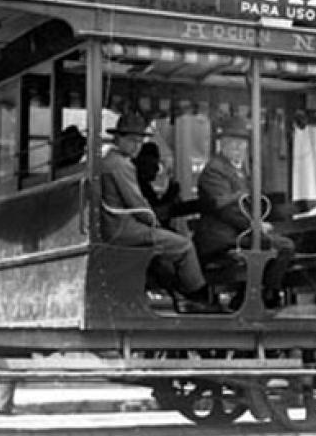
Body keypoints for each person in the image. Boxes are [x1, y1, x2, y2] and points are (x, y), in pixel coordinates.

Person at [101, 112, 212, 312]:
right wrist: (155, 223)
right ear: (118, 139)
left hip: (116, 226)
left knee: (168, 245)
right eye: (132, 141)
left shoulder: (110, 159)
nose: (137, 146)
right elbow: (138, 204)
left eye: (140, 141)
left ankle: (184, 296)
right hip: (122, 229)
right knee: (185, 245)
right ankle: (200, 298)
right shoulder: (120, 164)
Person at [194, 116, 295, 305]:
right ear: (221, 143)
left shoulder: (238, 170)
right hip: (220, 238)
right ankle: (264, 296)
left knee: (280, 243)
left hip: (236, 232)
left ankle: (248, 296)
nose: (238, 147)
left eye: (241, 143)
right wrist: (255, 226)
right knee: (284, 247)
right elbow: (226, 210)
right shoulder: (214, 170)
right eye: (232, 142)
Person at [133, 141, 182, 226]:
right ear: (142, 164)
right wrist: (170, 195)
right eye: (153, 165)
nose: (156, 169)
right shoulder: (137, 185)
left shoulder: (143, 184)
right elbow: (155, 215)